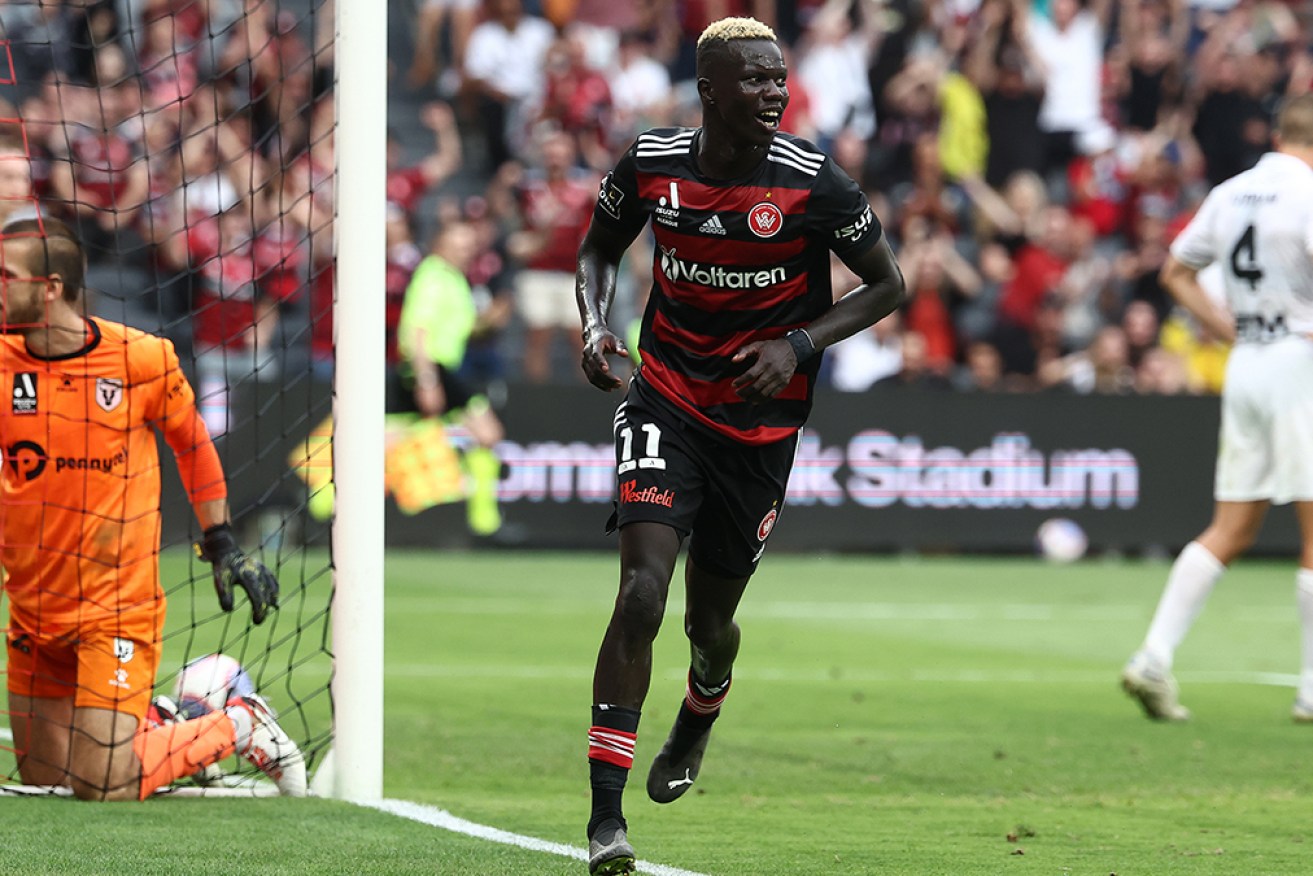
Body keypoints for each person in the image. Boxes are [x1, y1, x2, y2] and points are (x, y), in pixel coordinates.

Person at [575, 17, 905, 875]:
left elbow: (887, 285)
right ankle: (604, 822)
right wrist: (591, 326)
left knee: (708, 622)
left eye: (779, 77)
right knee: (642, 592)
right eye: (754, 79)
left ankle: (699, 712)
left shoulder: (812, 181)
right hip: (665, 398)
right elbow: (599, 248)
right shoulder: (650, 165)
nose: (773, 91)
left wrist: (797, 344)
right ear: (709, 89)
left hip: (758, 428)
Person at [0, 215, 306, 799]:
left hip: (115, 607)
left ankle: (237, 723)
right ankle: (166, 722)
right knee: (46, 783)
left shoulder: (141, 359)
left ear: (50, 287)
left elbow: (192, 445)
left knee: (101, 784)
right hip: (34, 607)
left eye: (4, 275)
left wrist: (220, 542)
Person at [1120, 93, 1313, 723]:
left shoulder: (1232, 192)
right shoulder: (1308, 195)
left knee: (1232, 527)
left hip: (1249, 361)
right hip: (1298, 357)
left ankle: (1153, 655)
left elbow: (1176, 272)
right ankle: (1312, 687)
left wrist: (1223, 326)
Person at [392, 219, 506, 537]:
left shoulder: (454, 279)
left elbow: (457, 327)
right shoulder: (433, 276)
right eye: (459, 243)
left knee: (401, 433)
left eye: (469, 245)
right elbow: (416, 332)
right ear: (440, 243)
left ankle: (481, 514)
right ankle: (484, 519)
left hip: (442, 368)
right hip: (430, 367)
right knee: (488, 433)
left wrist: (489, 321)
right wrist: (427, 381)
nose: (466, 250)